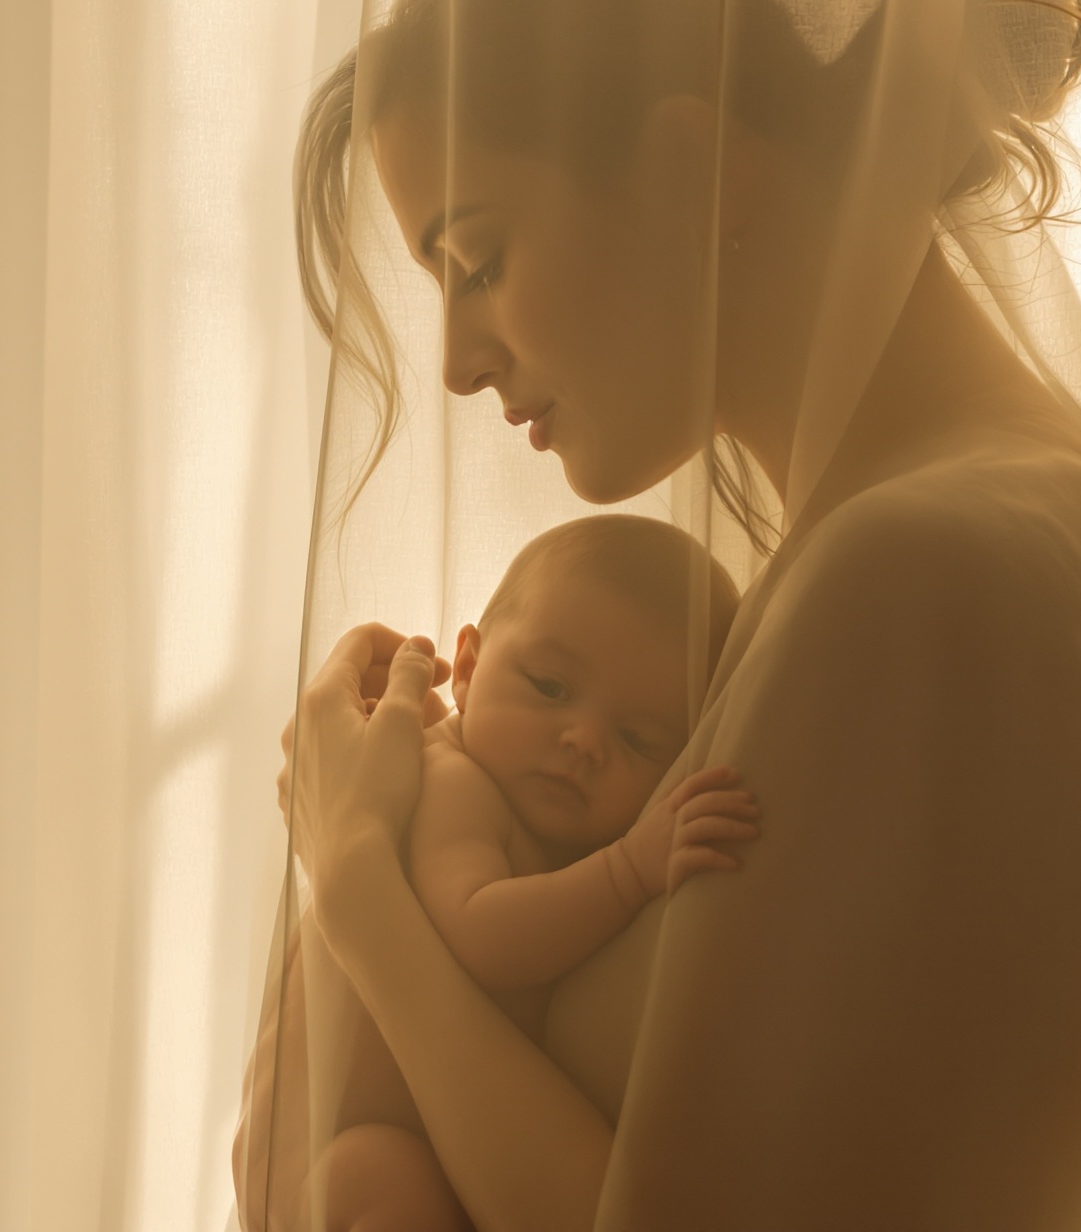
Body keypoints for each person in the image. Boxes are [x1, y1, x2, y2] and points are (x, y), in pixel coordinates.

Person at [238, 0, 1081, 1231]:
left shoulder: (924, 575)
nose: (457, 364)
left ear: (695, 174)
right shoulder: (941, 534)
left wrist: (361, 886)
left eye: (479, 260)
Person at [307, 515, 754, 1232]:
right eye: (550, 687)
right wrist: (627, 871)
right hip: (368, 1143)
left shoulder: (537, 815)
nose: (583, 741)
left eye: (638, 738)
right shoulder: (452, 779)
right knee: (386, 1185)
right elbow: (480, 927)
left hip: (470, 1148)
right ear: (472, 667)